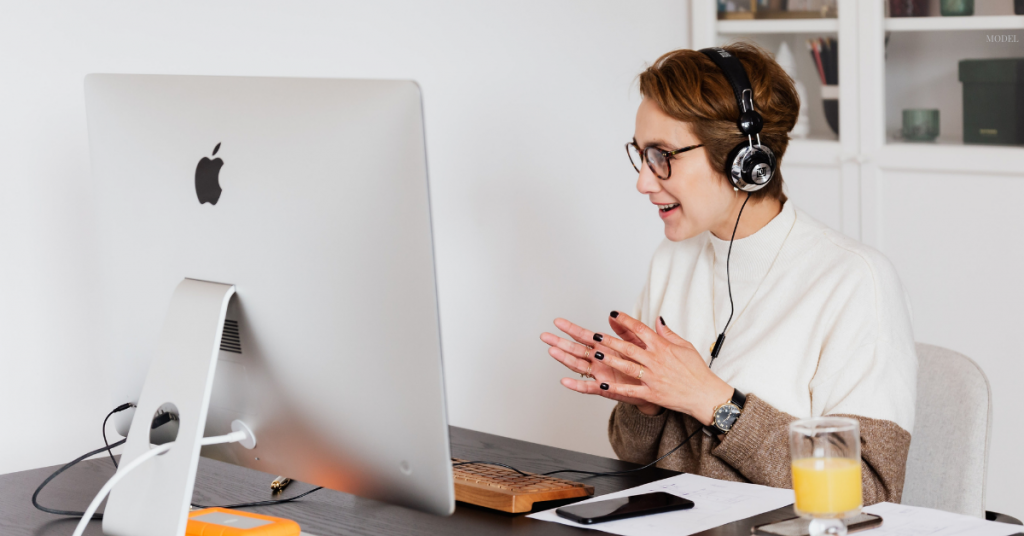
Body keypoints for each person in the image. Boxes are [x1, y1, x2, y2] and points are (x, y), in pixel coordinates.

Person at [539, 42, 917, 504]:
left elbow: (869, 492)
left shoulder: (854, 281)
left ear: (744, 160)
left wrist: (713, 401)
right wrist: (646, 404)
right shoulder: (671, 261)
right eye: (640, 155)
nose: (643, 180)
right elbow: (635, 458)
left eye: (663, 157)